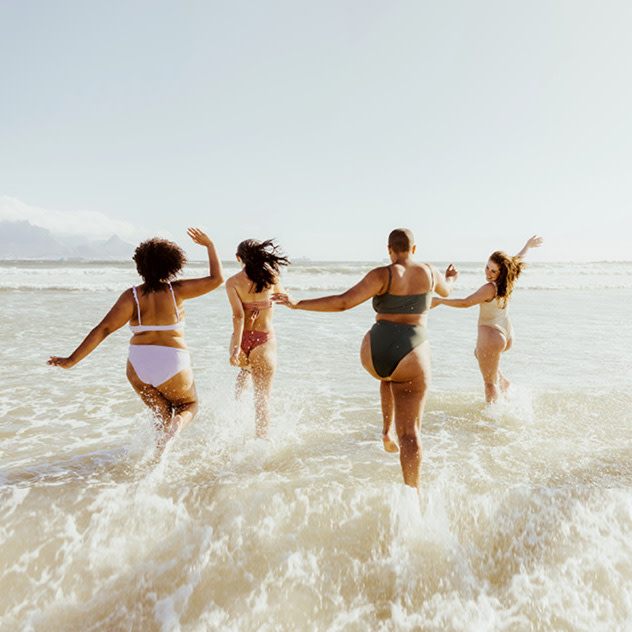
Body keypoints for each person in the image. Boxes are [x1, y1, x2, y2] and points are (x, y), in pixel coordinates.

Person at [272, 228, 457, 491]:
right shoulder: (429, 272)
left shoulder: (382, 274)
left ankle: (386, 430)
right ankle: (411, 495)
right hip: (412, 352)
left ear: (389, 250)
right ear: (414, 249)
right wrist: (450, 277)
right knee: (411, 433)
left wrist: (297, 302)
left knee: (388, 377)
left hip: (375, 353)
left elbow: (343, 302)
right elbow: (447, 291)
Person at [48, 228, 223, 448]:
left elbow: (103, 329)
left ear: (140, 266)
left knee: (160, 413)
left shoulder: (131, 296)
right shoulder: (176, 290)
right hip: (172, 361)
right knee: (189, 404)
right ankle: (177, 426)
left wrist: (71, 360)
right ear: (172, 265)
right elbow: (217, 279)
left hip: (138, 367)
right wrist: (210, 245)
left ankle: (159, 453)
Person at [432, 235, 543, 403]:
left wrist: (440, 301)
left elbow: (466, 302)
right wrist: (528, 245)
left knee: (489, 384)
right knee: (479, 354)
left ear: (501, 272)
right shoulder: (508, 280)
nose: (488, 273)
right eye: (487, 268)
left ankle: (493, 421)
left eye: (493, 271)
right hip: (506, 333)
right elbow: (517, 259)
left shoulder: (489, 288)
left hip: (492, 334)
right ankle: (504, 384)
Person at [225, 239, 289, 439]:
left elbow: (238, 316)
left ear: (238, 258)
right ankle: (261, 444)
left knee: (245, 370)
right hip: (264, 341)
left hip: (241, 340)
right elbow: (284, 298)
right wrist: (264, 304)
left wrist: (236, 348)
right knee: (262, 399)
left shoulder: (233, 282)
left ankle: (236, 416)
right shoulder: (271, 277)